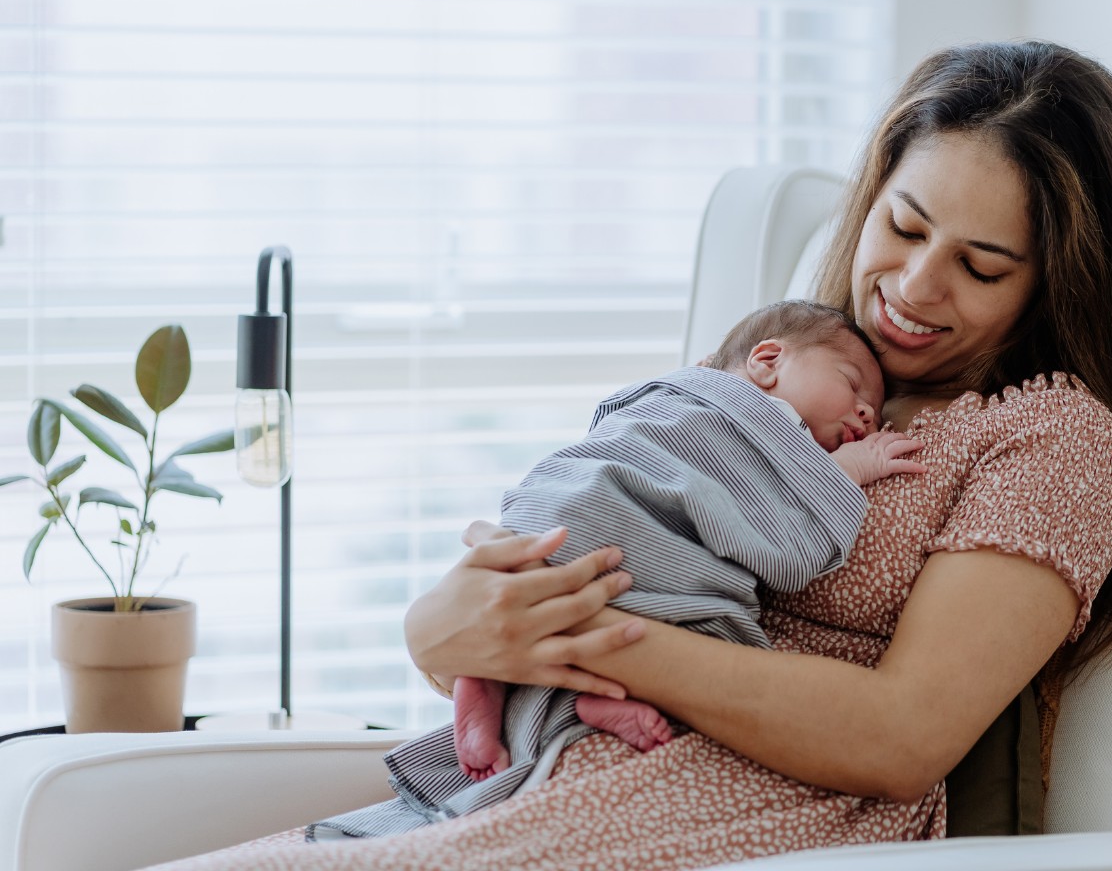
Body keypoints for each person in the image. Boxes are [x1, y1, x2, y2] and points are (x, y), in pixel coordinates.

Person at [145, 40, 1112, 871]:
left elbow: (903, 737)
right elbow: (599, 522)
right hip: (546, 758)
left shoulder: (1052, 439)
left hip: (759, 805)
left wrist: (595, 637)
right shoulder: (790, 364)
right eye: (903, 226)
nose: (914, 286)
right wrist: (444, 624)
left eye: (982, 266)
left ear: (1054, 281)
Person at [319, 300, 926, 837]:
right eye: (852, 387)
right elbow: (789, 541)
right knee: (705, 623)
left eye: (873, 410)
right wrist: (848, 471)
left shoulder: (671, 397)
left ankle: (495, 689)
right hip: (617, 525)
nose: (867, 414)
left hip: (552, 511)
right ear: (767, 361)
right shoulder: (754, 419)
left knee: (533, 596)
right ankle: (554, 691)